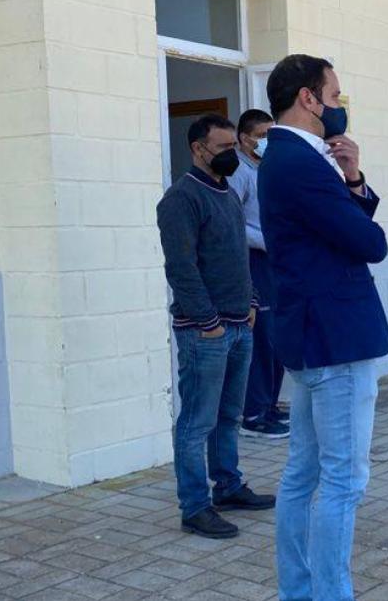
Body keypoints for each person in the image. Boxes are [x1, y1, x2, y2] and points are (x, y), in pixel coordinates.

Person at [259, 55, 388, 601]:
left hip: (312, 339)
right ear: (309, 99)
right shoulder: (300, 162)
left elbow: (344, 228)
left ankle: (299, 590)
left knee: (303, 474)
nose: (339, 106)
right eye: (334, 96)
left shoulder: (287, 159)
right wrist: (350, 184)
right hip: (334, 343)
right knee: (343, 480)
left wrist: (354, 180)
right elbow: (369, 243)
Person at [156, 113, 275, 540]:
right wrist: (207, 324)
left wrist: (252, 303)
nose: (232, 155)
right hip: (205, 332)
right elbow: (182, 269)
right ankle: (195, 507)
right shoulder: (180, 199)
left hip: (239, 323)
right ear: (198, 149)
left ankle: (227, 487)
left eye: (233, 147)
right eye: (224, 148)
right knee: (196, 422)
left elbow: (237, 257)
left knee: (228, 416)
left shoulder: (227, 195)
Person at [227, 108, 289, 440]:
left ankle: (269, 405)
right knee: (261, 338)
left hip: (274, 261)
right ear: (244, 138)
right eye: (263, 136)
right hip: (253, 260)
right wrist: (267, 241)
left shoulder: (265, 168)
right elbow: (231, 221)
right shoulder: (238, 170)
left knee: (277, 336)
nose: (267, 141)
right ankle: (253, 413)